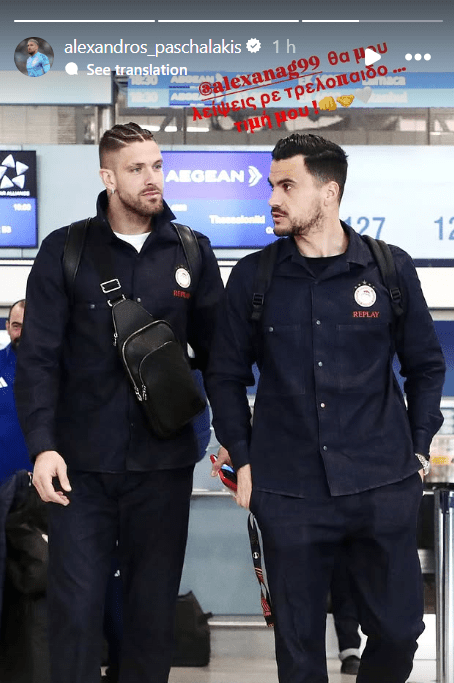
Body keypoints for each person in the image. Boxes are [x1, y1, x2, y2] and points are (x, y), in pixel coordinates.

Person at [208, 133, 445, 683]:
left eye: (287, 186)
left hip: (381, 485)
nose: (273, 199)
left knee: (400, 633)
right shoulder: (254, 277)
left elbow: (426, 366)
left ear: (329, 192)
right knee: (298, 654)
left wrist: (417, 448)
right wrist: (243, 456)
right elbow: (224, 375)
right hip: (288, 491)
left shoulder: (388, 269)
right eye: (272, 186)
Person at [14, 122, 223, 683]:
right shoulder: (65, 250)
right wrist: (43, 447)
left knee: (151, 618)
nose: (152, 179)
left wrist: (232, 439)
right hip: (80, 470)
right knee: (75, 614)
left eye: (157, 166)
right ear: (108, 177)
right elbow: (38, 359)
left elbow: (220, 357)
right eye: (136, 169)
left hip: (164, 467)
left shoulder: (192, 251)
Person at [0, 299, 33, 484]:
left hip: (49, 483)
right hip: (3, 483)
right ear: (7, 327)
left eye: (28, 326)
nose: (23, 333)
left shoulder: (62, 368)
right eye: (16, 326)